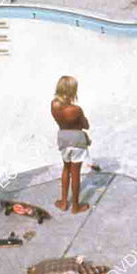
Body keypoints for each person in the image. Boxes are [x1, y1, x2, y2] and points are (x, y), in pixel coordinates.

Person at [52, 76, 92, 214]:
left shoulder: (54, 105)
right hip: (76, 140)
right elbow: (86, 125)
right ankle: (75, 206)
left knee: (66, 169)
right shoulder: (76, 109)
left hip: (63, 138)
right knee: (75, 173)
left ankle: (63, 202)